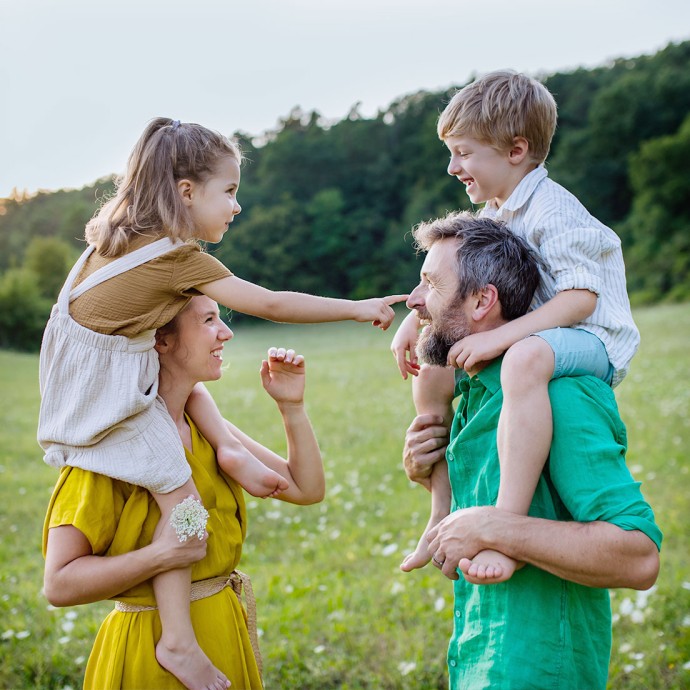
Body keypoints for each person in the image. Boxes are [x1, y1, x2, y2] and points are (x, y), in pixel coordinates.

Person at [37, 117, 406, 690]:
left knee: (186, 463)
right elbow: (272, 303)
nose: (236, 206)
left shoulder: (111, 249)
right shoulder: (175, 258)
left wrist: (242, 440)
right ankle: (178, 642)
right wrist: (358, 307)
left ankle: (229, 452)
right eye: (229, 191)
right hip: (103, 403)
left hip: (85, 389)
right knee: (182, 500)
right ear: (186, 192)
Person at [394, 71, 640, 580]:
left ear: (515, 150)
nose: (452, 166)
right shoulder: (496, 211)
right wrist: (415, 320)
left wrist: (508, 335)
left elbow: (579, 299)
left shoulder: (554, 209)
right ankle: (441, 504)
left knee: (526, 357)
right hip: (543, 336)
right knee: (435, 359)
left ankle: (506, 521)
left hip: (593, 340)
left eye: (463, 152)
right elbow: (451, 280)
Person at [401, 211, 661, 689]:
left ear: (483, 300)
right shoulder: (473, 395)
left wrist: (497, 528)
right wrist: (433, 477)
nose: (414, 302)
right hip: (479, 659)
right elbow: (482, 534)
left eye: (430, 285)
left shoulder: (562, 395)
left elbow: (639, 557)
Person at [43, 294, 325, 689]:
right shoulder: (107, 452)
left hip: (223, 626)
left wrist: (291, 407)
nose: (226, 333)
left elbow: (306, 489)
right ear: (161, 340)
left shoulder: (206, 428)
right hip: (152, 652)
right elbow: (59, 583)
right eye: (209, 320)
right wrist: (161, 555)